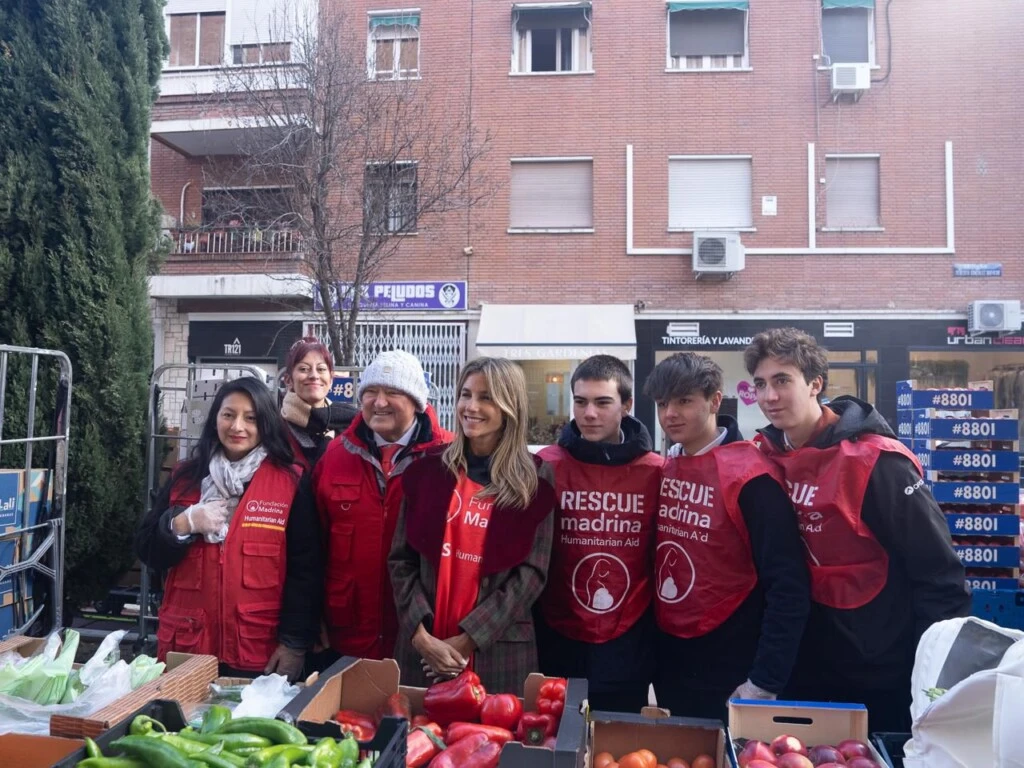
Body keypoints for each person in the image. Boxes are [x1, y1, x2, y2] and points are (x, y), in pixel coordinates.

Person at [744, 327, 972, 732]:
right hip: (805, 661)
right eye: (760, 384)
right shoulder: (764, 455)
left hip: (881, 665)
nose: (769, 397)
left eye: (782, 381)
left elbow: (940, 576)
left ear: (815, 384)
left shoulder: (877, 461)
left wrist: (932, 678)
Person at [645, 352, 810, 721]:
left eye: (684, 401)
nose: (670, 413)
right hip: (671, 661)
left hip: (729, 667)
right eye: (662, 403)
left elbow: (789, 586)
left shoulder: (752, 477)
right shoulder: (668, 464)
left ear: (714, 400)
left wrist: (765, 681)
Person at [135, 376, 320, 681]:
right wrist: (183, 523)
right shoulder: (185, 478)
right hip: (187, 648)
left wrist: (294, 644)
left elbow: (306, 572)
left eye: (251, 418)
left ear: (266, 424)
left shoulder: (289, 482)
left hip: (257, 651)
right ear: (215, 419)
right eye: (228, 415)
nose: (238, 427)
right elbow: (147, 549)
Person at [389, 357, 556, 694]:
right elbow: (400, 561)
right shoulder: (427, 470)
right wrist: (421, 637)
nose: (471, 406)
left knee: (490, 745)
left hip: (497, 652)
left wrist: (468, 640)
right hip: (423, 653)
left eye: (486, 397)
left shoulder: (535, 478)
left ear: (510, 405)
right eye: (466, 394)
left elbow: (531, 576)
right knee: (417, 742)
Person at [534, 355, 661, 712]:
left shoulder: (656, 472)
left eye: (603, 402)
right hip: (556, 632)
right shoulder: (545, 464)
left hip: (628, 639)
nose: (589, 413)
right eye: (580, 401)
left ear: (626, 405)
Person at [313, 349, 451, 663]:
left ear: (417, 402)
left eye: (392, 392)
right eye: (371, 392)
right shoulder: (335, 456)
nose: (379, 402)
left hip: (423, 636)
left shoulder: (449, 457)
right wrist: (310, 617)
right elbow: (313, 548)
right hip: (346, 634)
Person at [280, 337, 357, 467]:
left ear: (331, 379)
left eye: (321, 369)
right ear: (288, 380)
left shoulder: (352, 424)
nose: (314, 376)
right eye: (304, 369)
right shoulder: (275, 428)